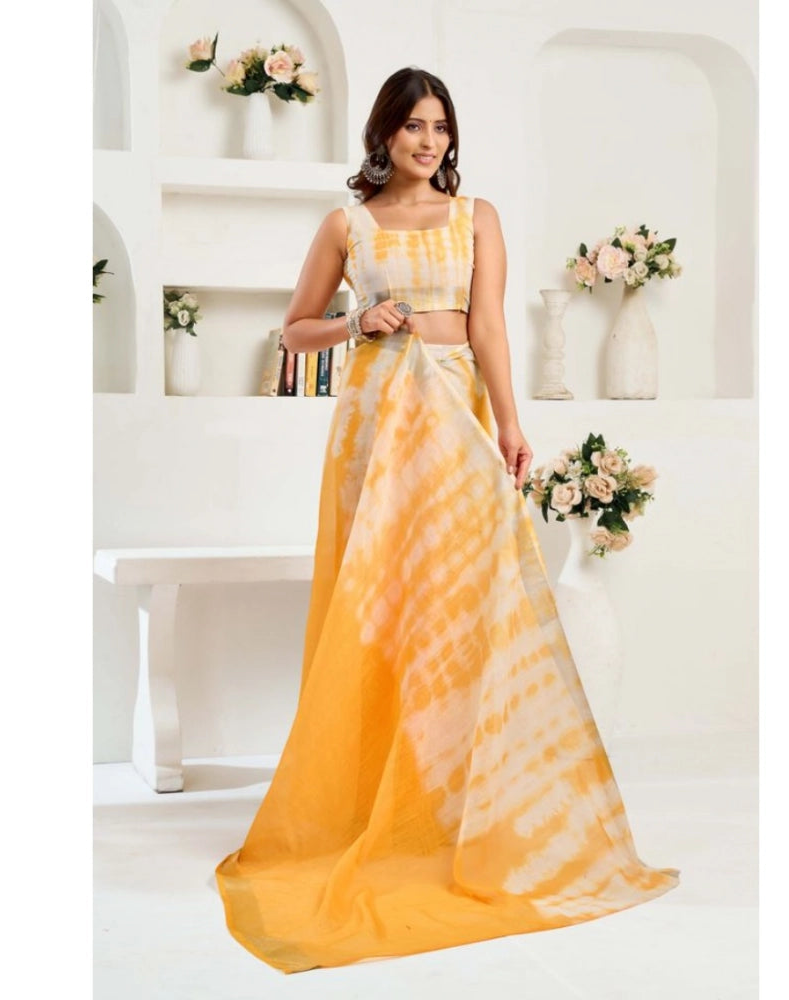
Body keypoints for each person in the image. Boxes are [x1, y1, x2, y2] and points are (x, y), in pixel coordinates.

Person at [215, 67, 679, 975]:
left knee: (467, 604)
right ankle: (385, 805)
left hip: (456, 414)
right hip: (376, 424)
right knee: (384, 606)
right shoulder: (346, 226)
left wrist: (510, 423)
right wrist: (357, 323)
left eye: (440, 127)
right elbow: (294, 331)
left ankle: (466, 803)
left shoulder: (477, 217)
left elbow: (490, 327)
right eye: (413, 127)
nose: (429, 142)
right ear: (384, 134)